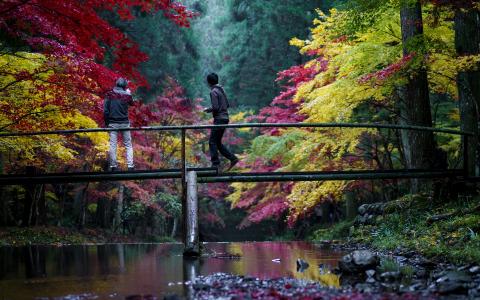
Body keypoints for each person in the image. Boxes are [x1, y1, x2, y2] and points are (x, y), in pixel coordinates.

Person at [204, 73, 239, 170]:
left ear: (208, 82)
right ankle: (232, 158)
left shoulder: (213, 92)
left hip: (219, 118)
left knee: (212, 142)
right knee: (217, 142)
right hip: (225, 118)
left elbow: (215, 107)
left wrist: (208, 109)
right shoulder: (221, 90)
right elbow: (227, 105)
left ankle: (215, 164)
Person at [104, 78, 135, 171]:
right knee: (128, 145)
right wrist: (129, 93)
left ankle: (113, 166)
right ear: (125, 86)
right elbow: (132, 104)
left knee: (113, 145)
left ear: (116, 84)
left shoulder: (109, 94)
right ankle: (130, 166)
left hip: (113, 123)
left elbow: (105, 111)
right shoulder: (127, 95)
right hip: (125, 123)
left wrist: (107, 123)